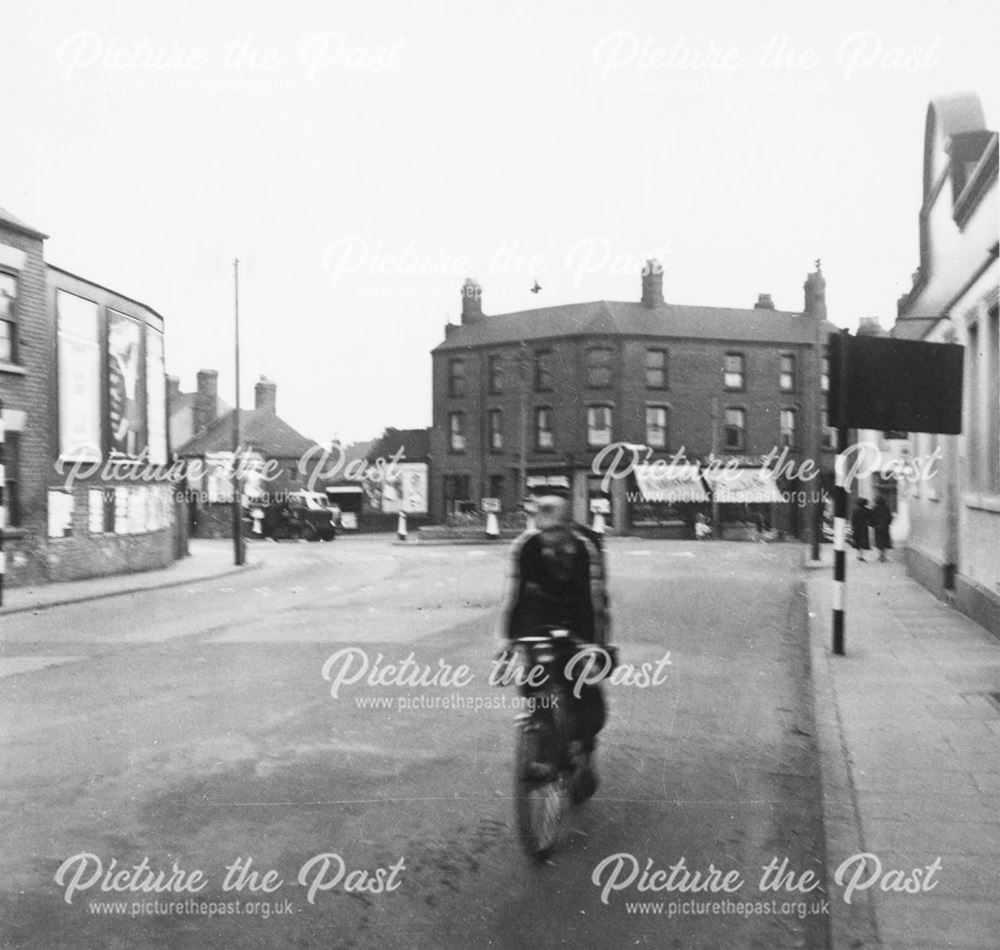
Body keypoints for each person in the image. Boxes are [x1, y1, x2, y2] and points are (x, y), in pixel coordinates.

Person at [499, 481, 612, 789]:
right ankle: (542, 745)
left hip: (580, 615)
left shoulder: (586, 547)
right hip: (541, 613)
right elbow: (516, 595)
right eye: (543, 532)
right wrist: (507, 642)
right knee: (532, 680)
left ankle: (584, 750)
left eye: (556, 532)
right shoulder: (525, 547)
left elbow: (595, 602)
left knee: (585, 692)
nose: (548, 540)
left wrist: (594, 647)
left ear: (568, 525)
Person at [871, 496, 893, 562]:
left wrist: (873, 524)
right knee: (885, 541)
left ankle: (880, 555)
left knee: (879, 541)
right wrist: (888, 523)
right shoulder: (886, 508)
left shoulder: (874, 508)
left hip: (877, 527)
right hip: (885, 527)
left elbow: (872, 518)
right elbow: (889, 517)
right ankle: (884, 556)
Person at [850, 498, 872, 562]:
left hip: (857, 528)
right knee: (862, 542)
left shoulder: (855, 510)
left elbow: (853, 519)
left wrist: (853, 527)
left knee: (857, 541)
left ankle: (858, 555)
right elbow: (870, 519)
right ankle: (860, 555)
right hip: (864, 528)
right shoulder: (867, 510)